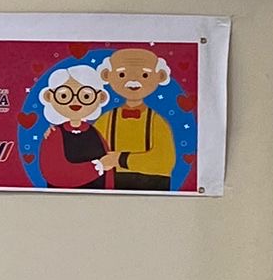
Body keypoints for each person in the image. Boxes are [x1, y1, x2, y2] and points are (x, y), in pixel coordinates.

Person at [95, 49, 176, 191]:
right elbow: (91, 151)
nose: (133, 81)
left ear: (160, 76)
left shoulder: (157, 122)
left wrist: (120, 159)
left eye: (145, 75)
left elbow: (165, 162)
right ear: (107, 75)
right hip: (110, 185)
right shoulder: (105, 120)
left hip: (151, 185)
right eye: (122, 74)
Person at [37, 64, 111, 189]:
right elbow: (55, 174)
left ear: (100, 98)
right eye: (64, 96)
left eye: (86, 96)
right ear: (50, 97)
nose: (75, 101)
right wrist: (98, 167)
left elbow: (109, 174)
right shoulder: (54, 134)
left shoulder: (95, 132)